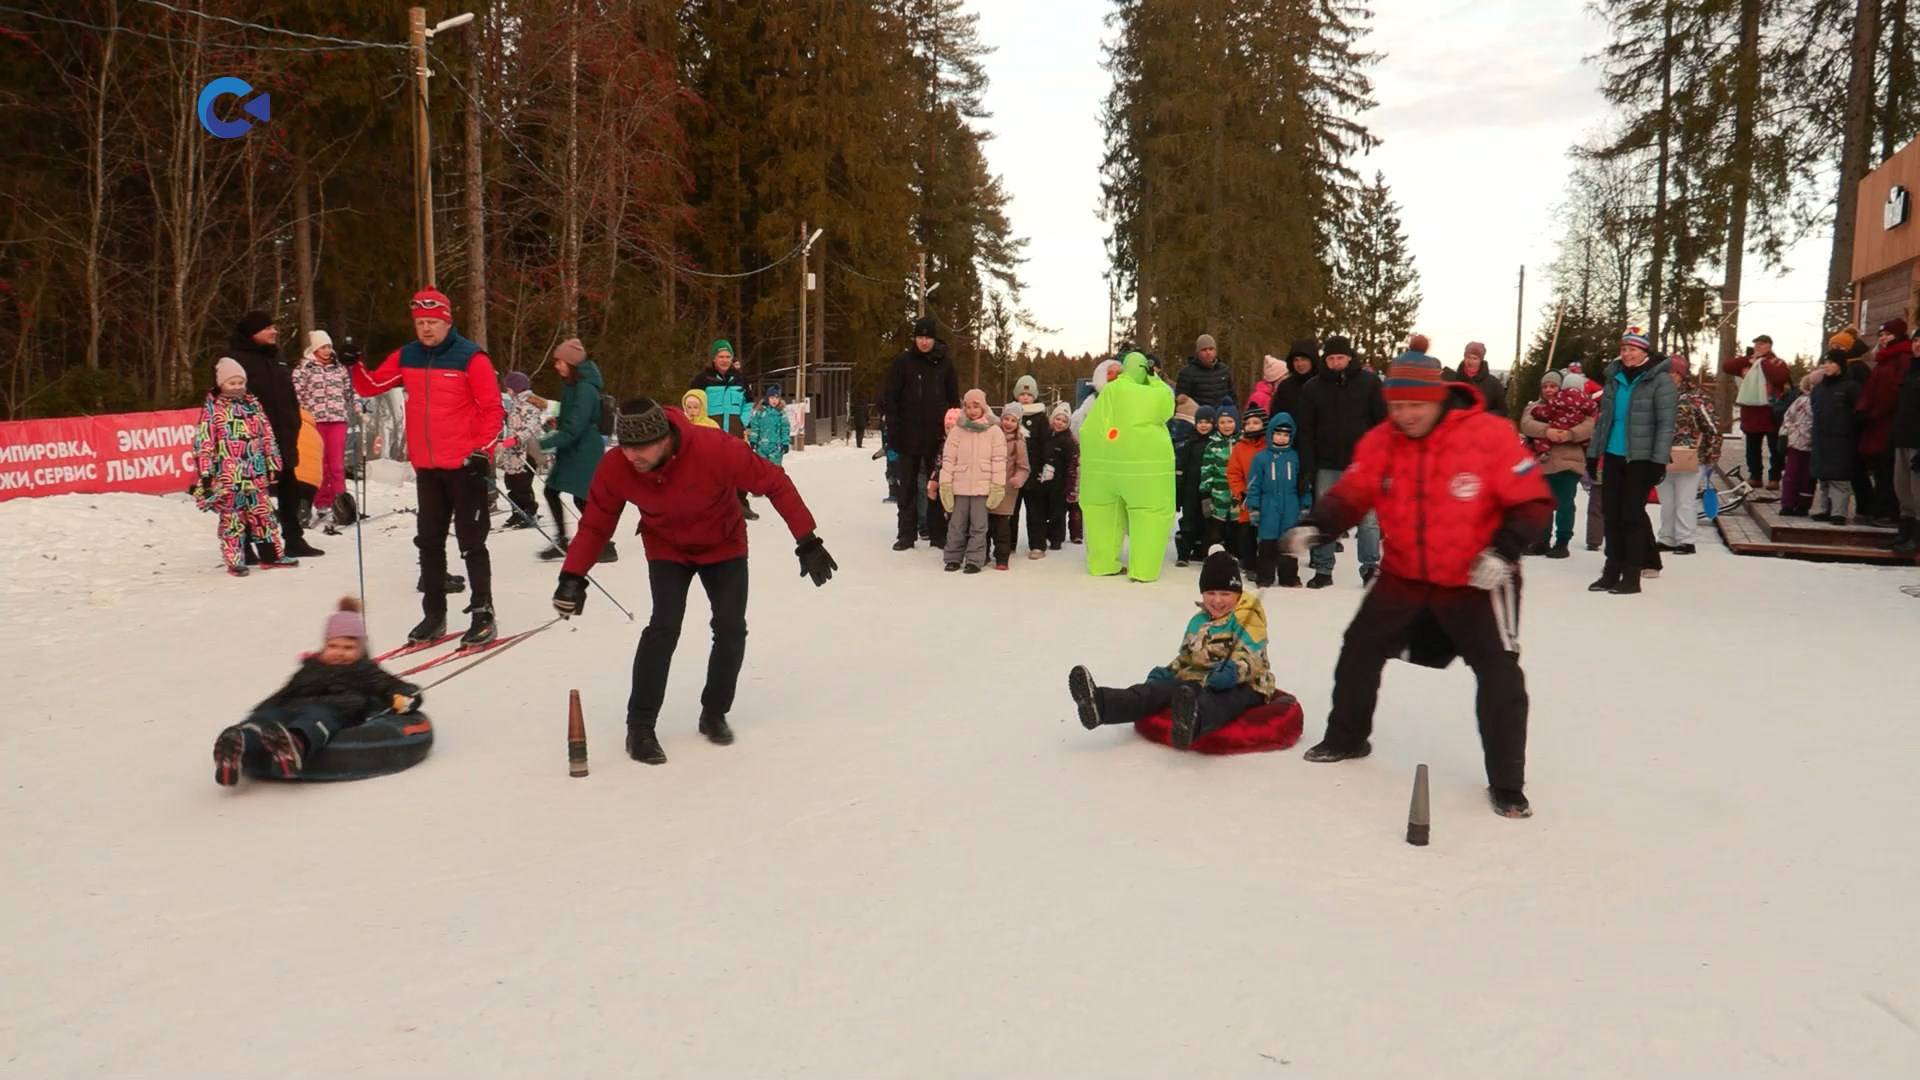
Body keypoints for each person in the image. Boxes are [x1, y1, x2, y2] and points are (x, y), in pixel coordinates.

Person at [1285, 349, 1552, 819]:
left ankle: (1507, 783)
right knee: (1359, 647)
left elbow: (1532, 503)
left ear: (1438, 398)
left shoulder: (1489, 435)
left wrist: (1503, 552)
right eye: (1396, 406)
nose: (1405, 415)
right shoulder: (1380, 442)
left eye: (1415, 406)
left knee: (1500, 672)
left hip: (1478, 576)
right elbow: (1350, 493)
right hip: (1405, 572)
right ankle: (1347, 738)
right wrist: (1317, 524)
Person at [551, 397, 837, 765]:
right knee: (664, 627)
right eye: (626, 448)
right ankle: (639, 727)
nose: (632, 457)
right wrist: (573, 575)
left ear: (664, 438)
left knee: (731, 627)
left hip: (724, 544)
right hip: (667, 546)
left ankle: (714, 713)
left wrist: (807, 540)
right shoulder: (616, 467)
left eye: (641, 448)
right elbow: (596, 523)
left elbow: (775, 482)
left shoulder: (715, 449)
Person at [349, 288, 504, 645]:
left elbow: (492, 409)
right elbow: (370, 386)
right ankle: (434, 614)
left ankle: (483, 611)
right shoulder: (409, 355)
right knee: (429, 541)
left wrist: (483, 450)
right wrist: (352, 363)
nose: (426, 329)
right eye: (420, 323)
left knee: (471, 541)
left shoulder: (471, 358)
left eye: (432, 322)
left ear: (448, 321)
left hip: (466, 466)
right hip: (429, 468)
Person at [1066, 551, 1277, 750]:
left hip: (1247, 684)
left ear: (1238, 594)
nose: (1217, 600)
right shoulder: (1199, 621)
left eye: (1225, 593)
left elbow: (1254, 657)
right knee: (1154, 691)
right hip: (1200, 678)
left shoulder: (1247, 618)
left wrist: (1234, 672)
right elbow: (1187, 657)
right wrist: (1169, 672)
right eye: (1210, 593)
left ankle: (1192, 722)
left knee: (1222, 700)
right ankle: (1101, 705)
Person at [212, 597, 424, 785]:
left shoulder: (365, 669)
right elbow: (286, 692)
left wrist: (407, 696)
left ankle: (294, 745)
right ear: (325, 645)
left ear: (361, 649)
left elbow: (391, 685)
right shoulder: (312, 666)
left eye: (348, 648)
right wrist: (260, 711)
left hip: (335, 709)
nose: (340, 653)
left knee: (316, 719)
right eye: (333, 646)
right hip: (293, 706)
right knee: (269, 717)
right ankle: (238, 747)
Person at [1586, 328, 1677, 595]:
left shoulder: (1660, 382)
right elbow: (1604, 421)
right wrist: (1593, 454)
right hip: (1613, 455)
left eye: (1633, 349)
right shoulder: (1614, 379)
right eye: (1624, 348)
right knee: (1611, 514)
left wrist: (1658, 461)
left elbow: (1665, 425)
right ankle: (1611, 569)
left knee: (1631, 516)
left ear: (1644, 352)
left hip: (1641, 458)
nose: (1627, 354)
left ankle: (1632, 574)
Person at [228, 311, 323, 558]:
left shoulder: (277, 355)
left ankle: (294, 539)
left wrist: (294, 421)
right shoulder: (233, 359)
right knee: (250, 491)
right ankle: (246, 543)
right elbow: (226, 399)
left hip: (284, 433)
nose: (274, 331)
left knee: (289, 486)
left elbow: (289, 392)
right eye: (268, 328)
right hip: (252, 437)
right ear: (253, 333)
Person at [1079, 350, 1177, 581]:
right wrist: (1154, 379)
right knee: (1149, 515)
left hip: (1101, 470)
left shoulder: (1109, 391)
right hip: (1144, 471)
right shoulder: (1153, 393)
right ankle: (1143, 569)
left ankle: (1102, 563)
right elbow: (1166, 406)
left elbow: (1089, 426)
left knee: (1102, 515)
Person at [1298, 334, 1387, 587]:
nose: (1336, 363)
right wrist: (1308, 465)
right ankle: (1324, 569)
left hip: (1364, 464)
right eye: (1331, 358)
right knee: (1327, 517)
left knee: (1368, 520)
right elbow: (1306, 430)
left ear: (1349, 358)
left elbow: (1382, 424)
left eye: (1340, 358)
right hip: (1327, 462)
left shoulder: (1370, 383)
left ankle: (1370, 568)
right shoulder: (1312, 388)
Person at [193, 357, 292, 576]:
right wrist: (206, 472)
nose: (237, 387)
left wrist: (272, 462)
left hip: (255, 472)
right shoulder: (213, 410)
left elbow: (267, 435)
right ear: (221, 384)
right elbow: (205, 442)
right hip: (229, 476)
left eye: (240, 383)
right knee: (233, 520)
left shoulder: (253, 405)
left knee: (263, 514)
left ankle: (271, 555)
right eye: (232, 383)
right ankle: (235, 560)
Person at [884, 316, 961, 551]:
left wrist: (952, 431)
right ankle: (906, 534)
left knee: (936, 483)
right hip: (907, 437)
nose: (924, 342)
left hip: (937, 438)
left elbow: (953, 400)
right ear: (914, 338)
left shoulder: (945, 364)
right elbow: (890, 398)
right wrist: (894, 430)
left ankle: (938, 533)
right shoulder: (903, 363)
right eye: (920, 337)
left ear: (934, 338)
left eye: (928, 337)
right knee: (906, 486)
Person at [534, 338, 611, 562]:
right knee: (554, 491)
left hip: (584, 451)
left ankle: (604, 544)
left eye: (560, 362)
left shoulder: (585, 388)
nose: (556, 366)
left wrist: (540, 444)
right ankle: (564, 540)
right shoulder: (572, 384)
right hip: (574, 449)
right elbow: (573, 419)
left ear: (571, 363)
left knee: (582, 498)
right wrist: (556, 422)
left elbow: (575, 428)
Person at [1517, 370, 1594, 559]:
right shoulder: (1535, 408)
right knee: (1543, 503)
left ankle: (1562, 540)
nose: (1549, 390)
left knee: (1564, 503)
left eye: (1553, 386)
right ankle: (1541, 539)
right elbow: (1526, 424)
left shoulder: (1577, 406)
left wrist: (1569, 434)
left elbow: (1588, 426)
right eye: (1545, 386)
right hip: (1542, 463)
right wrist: (1548, 431)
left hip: (1567, 462)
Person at [1656, 357, 1721, 556]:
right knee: (1667, 500)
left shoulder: (1696, 398)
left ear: (1678, 374)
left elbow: (1712, 428)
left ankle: (1686, 539)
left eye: (1669, 373)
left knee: (1685, 499)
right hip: (1661, 455)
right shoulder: (1658, 396)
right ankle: (1667, 537)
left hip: (1690, 456)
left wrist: (1712, 455)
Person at [938, 389, 1006, 573]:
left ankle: (975, 560)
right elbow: (948, 459)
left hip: (982, 489)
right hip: (959, 487)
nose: (972, 410)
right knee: (956, 525)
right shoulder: (957, 431)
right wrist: (945, 484)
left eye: (976, 406)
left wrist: (998, 486)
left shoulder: (994, 431)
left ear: (983, 406)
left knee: (979, 526)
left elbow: (999, 460)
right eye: (968, 406)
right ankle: (953, 557)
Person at [291, 330, 351, 522]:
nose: (328, 351)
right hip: (314, 421)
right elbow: (296, 394)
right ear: (315, 348)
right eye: (323, 347)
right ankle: (321, 502)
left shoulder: (339, 368)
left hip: (337, 419)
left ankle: (341, 503)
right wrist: (297, 415)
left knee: (337, 465)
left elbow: (349, 391)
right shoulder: (304, 368)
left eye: (329, 347)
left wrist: (360, 407)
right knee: (320, 465)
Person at [1858, 319, 1912, 526]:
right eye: (1881, 335)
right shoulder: (1884, 359)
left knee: (1889, 468)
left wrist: (1876, 411)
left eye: (1887, 334)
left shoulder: (1902, 358)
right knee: (1880, 468)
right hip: (1876, 422)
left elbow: (1895, 391)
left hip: (1889, 422)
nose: (1883, 338)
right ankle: (1881, 509)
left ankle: (1891, 512)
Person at [1244, 411, 1306, 587]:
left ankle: (1289, 577)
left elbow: (1303, 484)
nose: (1281, 438)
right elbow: (1254, 484)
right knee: (1267, 543)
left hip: (1290, 504)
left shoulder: (1295, 457)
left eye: (1286, 435)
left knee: (1289, 543)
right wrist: (1254, 507)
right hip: (1268, 505)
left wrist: (1305, 505)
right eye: (1278, 434)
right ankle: (1265, 577)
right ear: (1270, 434)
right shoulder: (1261, 458)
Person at [1725, 333, 1788, 490]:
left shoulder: (1777, 362)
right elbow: (1727, 366)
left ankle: (1774, 477)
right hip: (1751, 412)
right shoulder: (1749, 364)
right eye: (1756, 344)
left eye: (1762, 344)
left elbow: (1779, 377)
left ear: (1769, 346)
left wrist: (1763, 361)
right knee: (1752, 447)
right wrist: (1749, 359)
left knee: (1775, 447)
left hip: (1771, 411)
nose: (1758, 347)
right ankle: (1755, 475)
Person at [1811, 351, 1860, 524]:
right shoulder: (1819, 389)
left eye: (1831, 362)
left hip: (1842, 438)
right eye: (1825, 362)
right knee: (1823, 476)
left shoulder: (1851, 387)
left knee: (1839, 478)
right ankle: (1824, 509)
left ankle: (1839, 513)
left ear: (1840, 365)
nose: (1827, 366)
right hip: (1821, 437)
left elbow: (1858, 413)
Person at [498, 371, 546, 530]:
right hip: (513, 454)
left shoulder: (528, 405)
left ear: (516, 388)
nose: (507, 390)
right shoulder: (517, 404)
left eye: (509, 387)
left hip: (526, 452)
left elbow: (532, 428)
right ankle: (517, 512)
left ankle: (528, 512)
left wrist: (516, 439)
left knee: (522, 486)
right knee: (511, 483)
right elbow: (515, 423)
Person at [988, 403, 1031, 570]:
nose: (1008, 423)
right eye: (1006, 418)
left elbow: (1024, 466)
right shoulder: (992, 435)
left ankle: (1002, 557)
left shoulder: (1018, 442)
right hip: (989, 485)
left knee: (1002, 526)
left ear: (1018, 423)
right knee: (985, 523)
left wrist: (1018, 479)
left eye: (1013, 420)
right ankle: (982, 553)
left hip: (1007, 488)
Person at [1226, 404, 1268, 569]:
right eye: (1248, 423)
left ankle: (1266, 565)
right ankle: (1249, 564)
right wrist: (1240, 493)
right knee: (1246, 534)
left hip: (1268, 498)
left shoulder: (1269, 446)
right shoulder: (1239, 448)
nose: (1251, 426)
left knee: (1266, 534)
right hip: (1247, 499)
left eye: (1256, 422)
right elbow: (1233, 473)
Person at [1175, 405, 1217, 567]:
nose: (1204, 425)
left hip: (1209, 491)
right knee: (1188, 521)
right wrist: (1179, 495)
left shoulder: (1216, 444)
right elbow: (1181, 468)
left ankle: (1203, 552)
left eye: (1207, 422)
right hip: (1190, 491)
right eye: (1200, 422)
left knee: (1208, 521)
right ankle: (1183, 554)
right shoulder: (1189, 443)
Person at [1892, 327, 1920, 556]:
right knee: (1903, 489)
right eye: (1916, 340)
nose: (1918, 344)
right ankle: (1905, 533)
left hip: (1918, 444)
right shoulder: (1910, 370)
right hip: (1903, 439)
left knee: (1918, 492)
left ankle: (1916, 539)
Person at [1199, 404, 1238, 561]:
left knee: (1236, 527)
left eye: (1230, 421)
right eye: (1222, 422)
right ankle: (1213, 556)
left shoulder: (1241, 443)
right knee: (1215, 528)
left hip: (1238, 493)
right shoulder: (1212, 445)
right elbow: (1206, 470)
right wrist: (1205, 493)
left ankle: (1235, 554)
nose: (1226, 426)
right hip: (1218, 493)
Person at [1779, 371, 1819, 517]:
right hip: (1796, 442)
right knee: (1792, 474)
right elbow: (1787, 418)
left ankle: (1802, 505)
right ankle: (1788, 503)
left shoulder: (1818, 401)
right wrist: (1785, 435)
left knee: (1807, 477)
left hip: (1812, 444)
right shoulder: (1800, 400)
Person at [1042, 402, 1077, 550]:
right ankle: (1045, 534)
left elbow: (1072, 463)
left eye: (1064, 421)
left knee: (1058, 512)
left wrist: (1070, 484)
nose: (1060, 423)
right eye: (1058, 419)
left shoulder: (1068, 441)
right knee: (1044, 510)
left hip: (1060, 482)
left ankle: (1057, 538)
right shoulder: (1046, 436)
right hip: (1044, 479)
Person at [1175, 333, 1238, 408]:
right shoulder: (1187, 373)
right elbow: (1181, 402)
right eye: (1204, 350)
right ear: (1198, 352)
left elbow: (1232, 396)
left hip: (1221, 417)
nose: (1208, 352)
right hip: (1198, 417)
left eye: (1211, 349)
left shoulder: (1224, 370)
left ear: (1215, 351)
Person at [1265, 339, 1321, 421]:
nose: (1300, 364)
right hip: (1291, 432)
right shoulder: (1285, 386)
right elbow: (1276, 417)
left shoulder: (1323, 384)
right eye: (1296, 360)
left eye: (1304, 359)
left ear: (1312, 360)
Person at [1447, 340, 1508, 415]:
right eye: (1468, 357)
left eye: (1475, 358)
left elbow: (1502, 411)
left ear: (1481, 360)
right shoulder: (1452, 381)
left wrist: (1482, 416)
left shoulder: (1494, 384)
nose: (1470, 362)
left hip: (1483, 425)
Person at [748, 384, 793, 467]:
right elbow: (755, 427)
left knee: (775, 469)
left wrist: (785, 442)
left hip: (776, 448)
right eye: (772, 398)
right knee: (762, 468)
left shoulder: (781, 413)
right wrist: (753, 440)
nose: (774, 400)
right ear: (767, 398)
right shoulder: (760, 412)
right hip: (761, 447)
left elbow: (785, 428)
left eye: (777, 398)